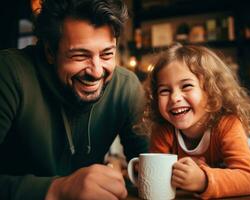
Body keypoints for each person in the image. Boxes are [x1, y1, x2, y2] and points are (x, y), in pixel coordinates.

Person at [0, 0, 148, 199]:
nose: (96, 72)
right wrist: (58, 189)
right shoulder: (8, 72)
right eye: (80, 55)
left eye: (107, 54)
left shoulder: (126, 86)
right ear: (50, 51)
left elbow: (150, 168)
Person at [147, 43, 250, 199]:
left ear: (212, 92)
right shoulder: (163, 130)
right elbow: (158, 179)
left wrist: (203, 179)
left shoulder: (227, 124)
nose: (174, 98)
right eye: (164, 90)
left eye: (186, 86)